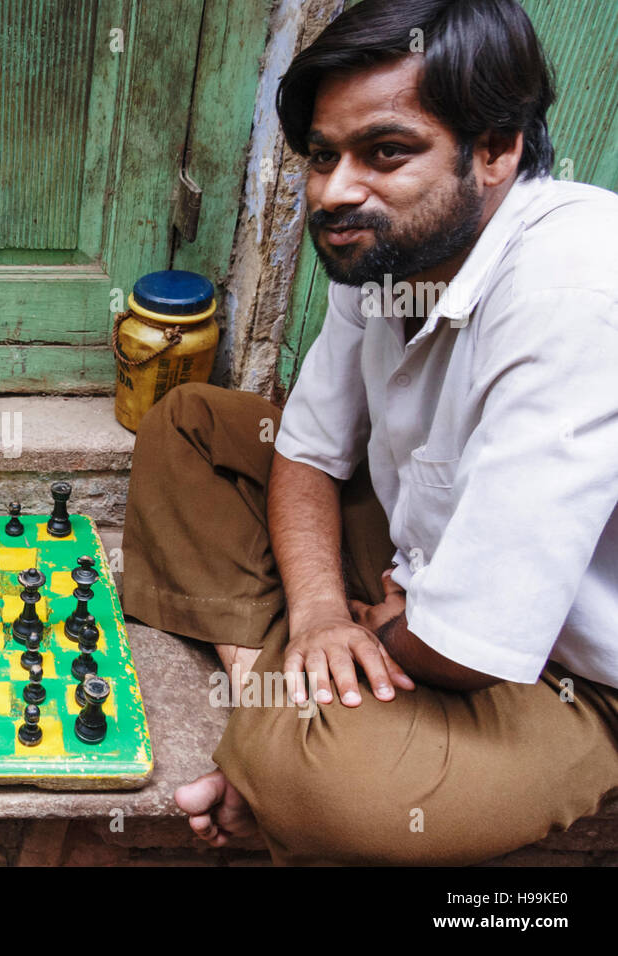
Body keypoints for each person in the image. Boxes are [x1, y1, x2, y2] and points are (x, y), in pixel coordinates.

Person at [122, 0, 618, 865]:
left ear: (497, 149)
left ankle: (279, 741)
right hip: (414, 557)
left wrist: (401, 631)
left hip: (562, 668)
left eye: (387, 151)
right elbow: (308, 451)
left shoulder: (575, 297)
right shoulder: (384, 246)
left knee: (341, 796)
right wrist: (318, 616)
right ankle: (279, 700)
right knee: (190, 423)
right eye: (322, 156)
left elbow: (468, 643)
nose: (336, 190)